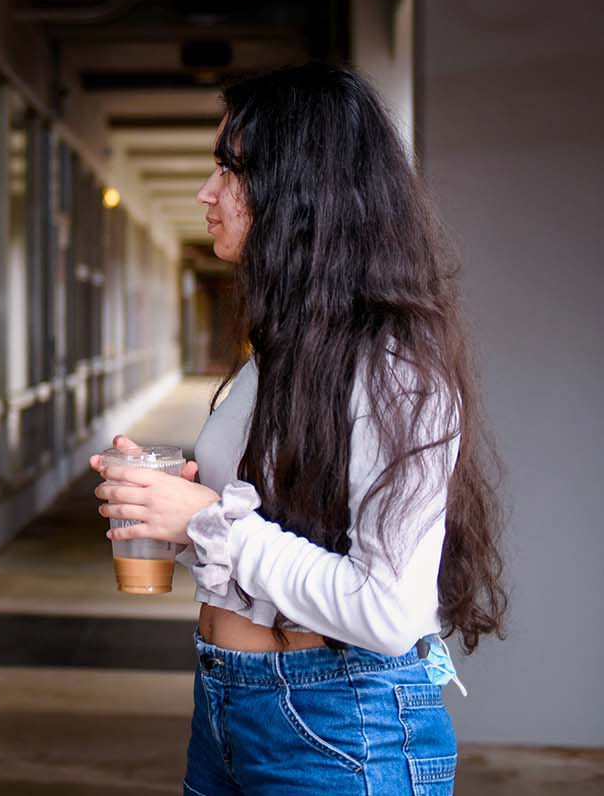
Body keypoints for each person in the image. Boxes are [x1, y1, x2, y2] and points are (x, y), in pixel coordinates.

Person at [92, 63, 507, 795]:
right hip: (229, 702)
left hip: (341, 726)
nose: (206, 193)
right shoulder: (278, 355)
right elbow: (269, 561)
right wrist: (174, 515)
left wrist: (211, 522)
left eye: (231, 171)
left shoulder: (392, 368)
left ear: (302, 193)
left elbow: (386, 611)